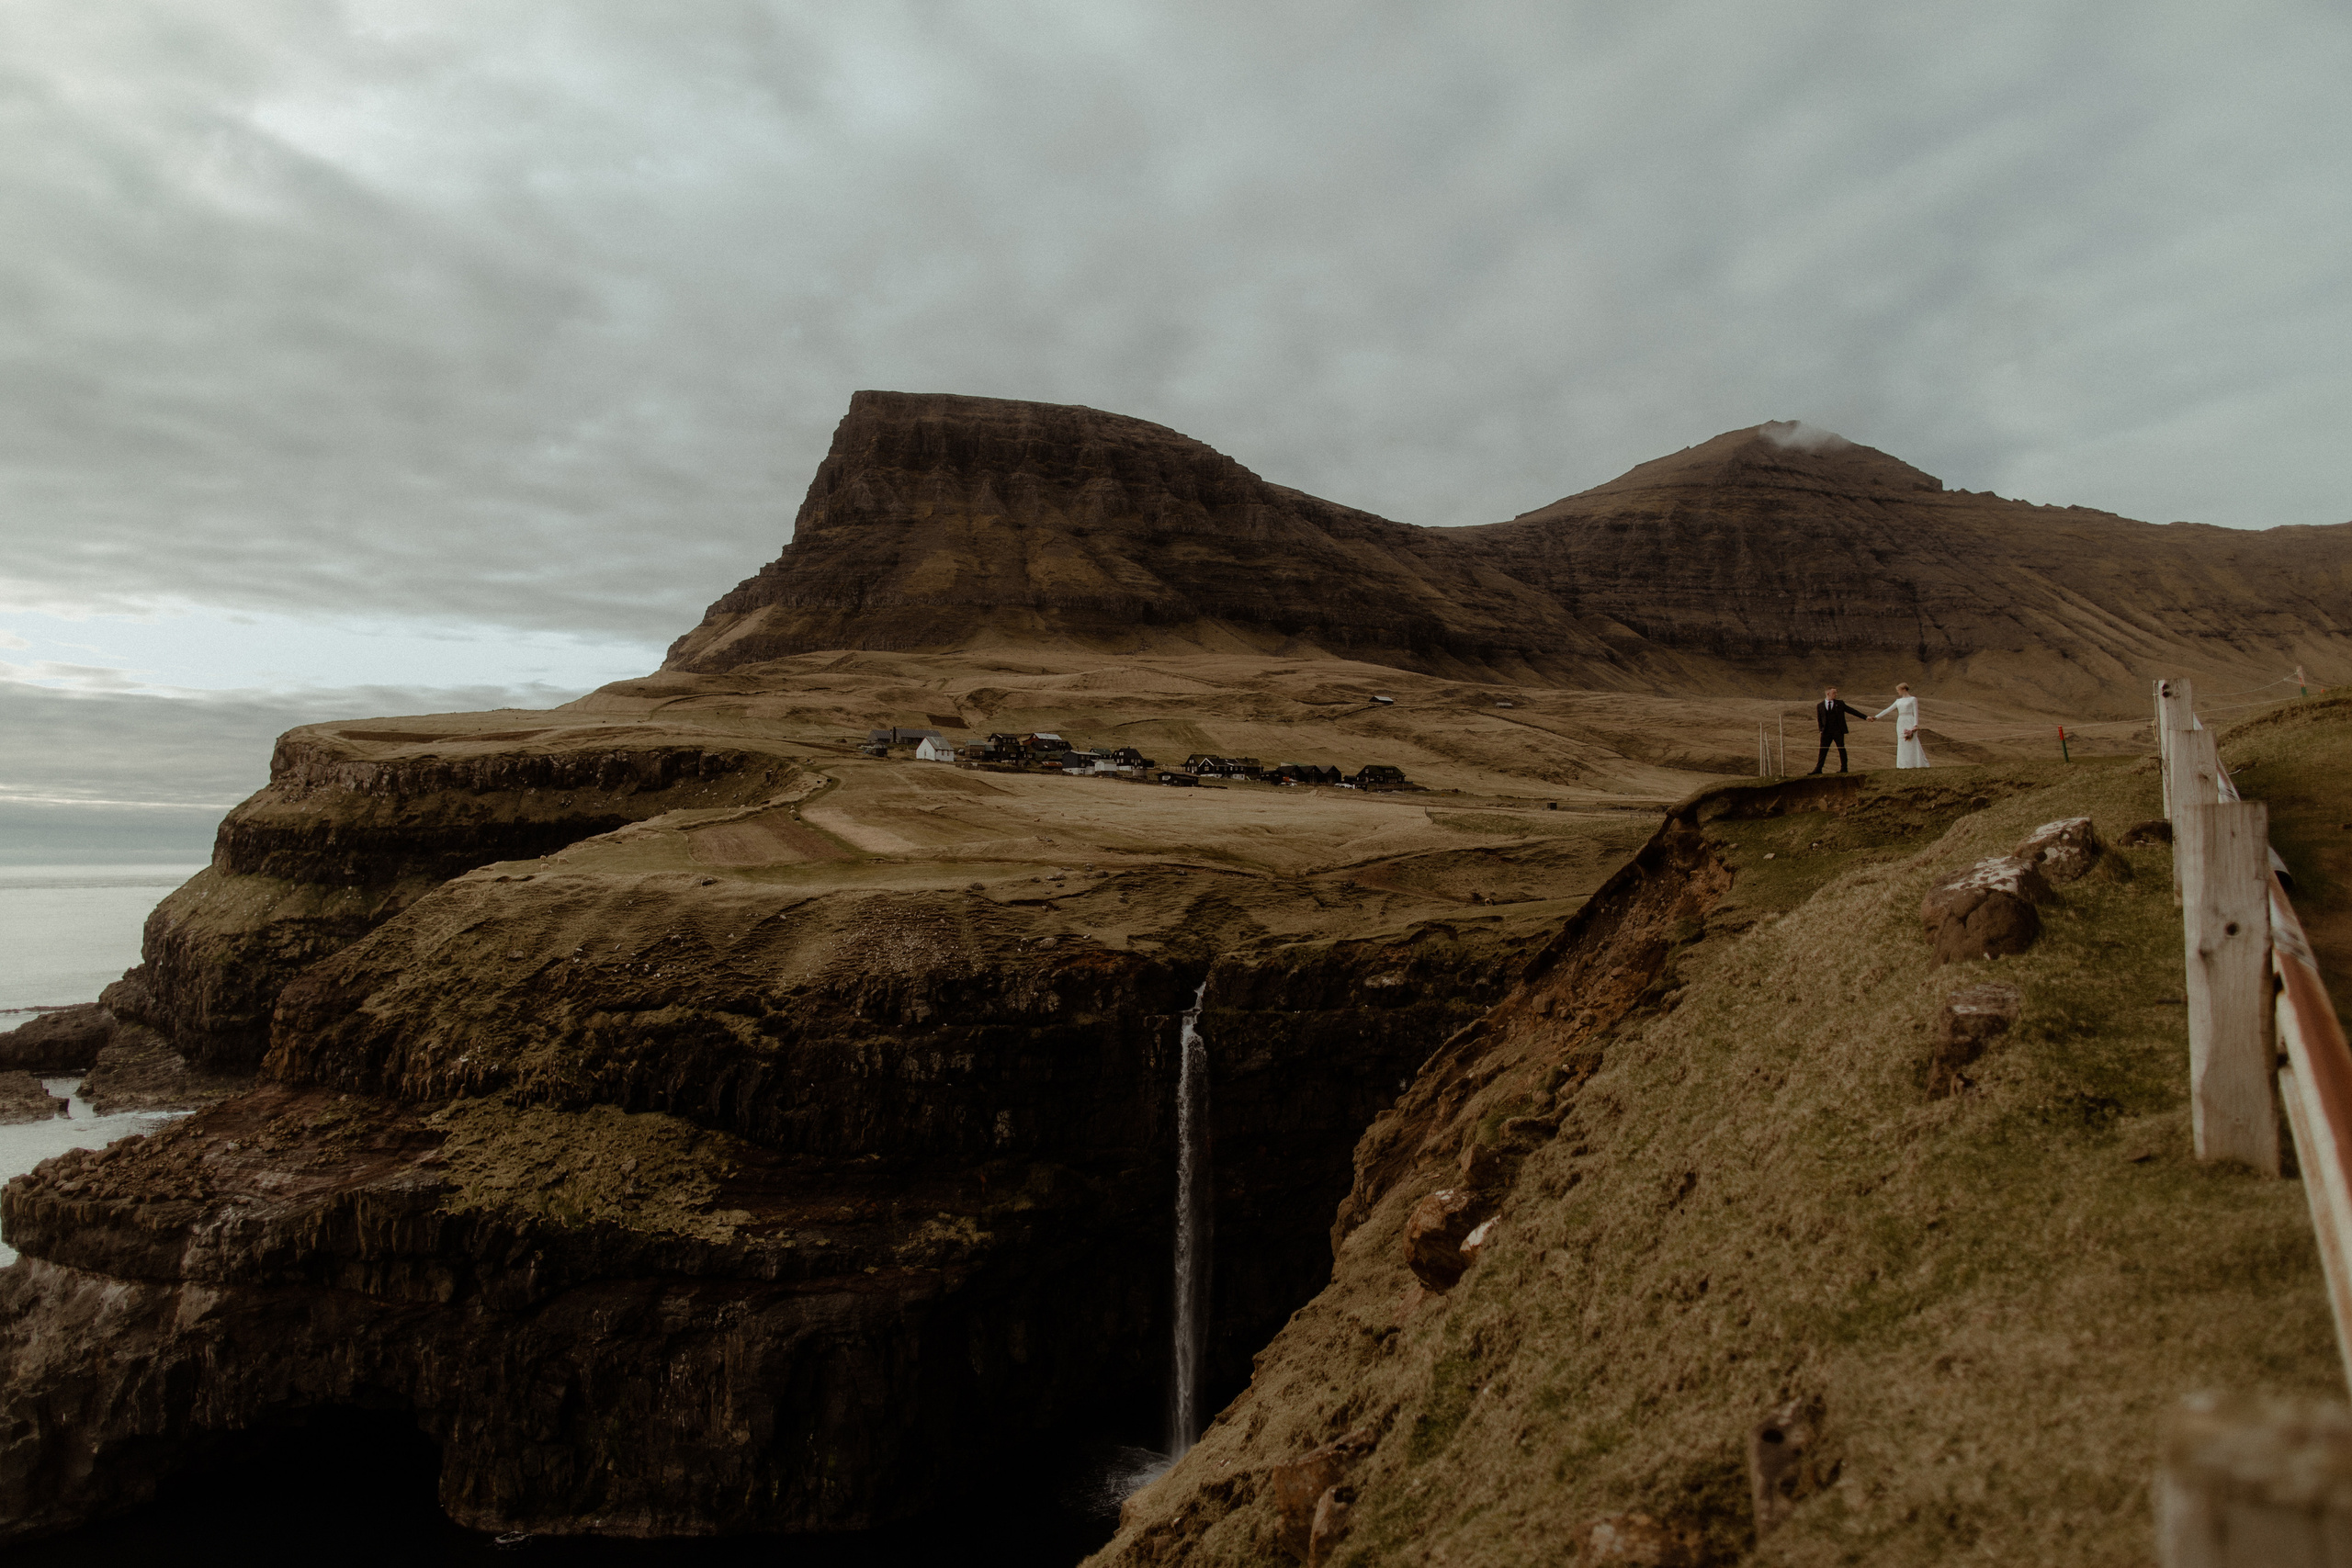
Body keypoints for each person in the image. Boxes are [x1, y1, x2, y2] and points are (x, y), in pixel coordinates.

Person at [1809, 686, 1871, 774]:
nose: (1836, 694)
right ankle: (1818, 769)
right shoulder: (1820, 705)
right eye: (1834, 693)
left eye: (1836, 693)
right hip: (1826, 732)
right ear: (1828, 694)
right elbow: (1820, 719)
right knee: (1823, 750)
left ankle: (1844, 768)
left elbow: (1852, 711)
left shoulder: (1840, 703)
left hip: (1838, 731)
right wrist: (1821, 729)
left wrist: (1865, 717)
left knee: (1841, 749)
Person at [1875, 683, 1928, 768]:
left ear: (1904, 689)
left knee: (1912, 741)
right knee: (1902, 741)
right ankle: (1903, 764)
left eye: (1898, 690)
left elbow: (1916, 712)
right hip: (1901, 721)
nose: (1898, 692)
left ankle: (1915, 763)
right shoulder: (1898, 701)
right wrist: (1876, 717)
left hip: (1909, 720)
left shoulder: (1913, 699)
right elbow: (1888, 709)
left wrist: (1915, 725)